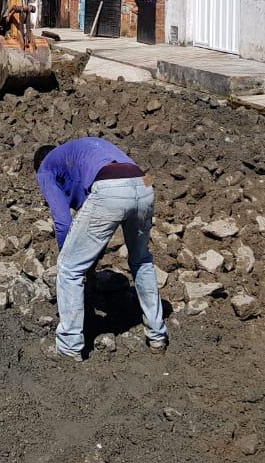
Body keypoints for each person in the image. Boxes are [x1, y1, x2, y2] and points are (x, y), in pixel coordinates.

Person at [34, 137, 167, 361]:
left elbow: (63, 221)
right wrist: (90, 263)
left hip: (110, 187)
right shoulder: (82, 157)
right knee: (142, 260)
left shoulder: (45, 168)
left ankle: (69, 347)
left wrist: (73, 259)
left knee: (68, 267)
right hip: (144, 183)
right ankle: (157, 336)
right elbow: (97, 221)